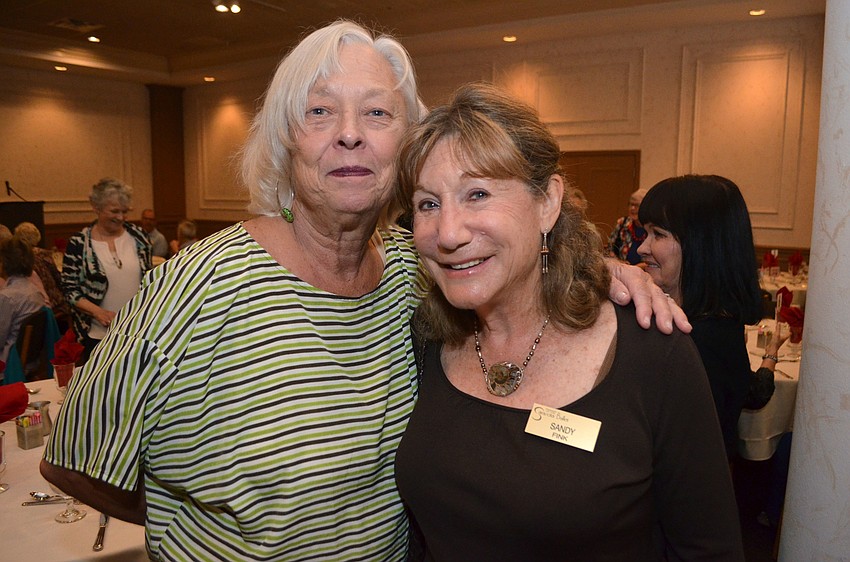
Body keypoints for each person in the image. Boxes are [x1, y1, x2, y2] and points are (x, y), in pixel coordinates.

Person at [42, 21, 686, 561]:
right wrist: (205, 528)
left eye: (376, 113)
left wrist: (610, 272)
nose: (349, 133)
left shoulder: (419, 271)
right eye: (320, 111)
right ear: (286, 140)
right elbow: (74, 460)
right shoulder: (200, 284)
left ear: (405, 149)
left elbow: (518, 260)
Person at [394, 83, 741, 560]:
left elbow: (708, 548)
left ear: (547, 203)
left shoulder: (653, 353)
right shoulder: (425, 339)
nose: (448, 233)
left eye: (477, 194)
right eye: (428, 204)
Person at [637, 174, 789, 460]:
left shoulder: (704, 339)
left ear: (699, 245)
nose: (642, 248)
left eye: (658, 234)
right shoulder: (699, 322)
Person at [60, 177, 152, 362]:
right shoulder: (79, 243)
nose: (121, 217)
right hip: (97, 334)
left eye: (125, 211)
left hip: (138, 331)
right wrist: (98, 312)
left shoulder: (139, 237)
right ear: (96, 207)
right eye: (115, 211)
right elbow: (69, 291)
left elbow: (150, 278)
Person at [0, 236, 48, 381]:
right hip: (30, 359)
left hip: (10, 361)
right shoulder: (34, 291)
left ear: (3, 263)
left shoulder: (7, 297)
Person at [14, 222, 72, 330]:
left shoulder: (20, 258)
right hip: (55, 300)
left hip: (40, 303)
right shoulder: (44, 254)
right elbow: (59, 278)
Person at [607, 188, 648, 265]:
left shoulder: (653, 228)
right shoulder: (622, 223)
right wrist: (619, 263)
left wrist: (640, 267)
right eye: (631, 204)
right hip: (623, 272)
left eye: (637, 205)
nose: (632, 208)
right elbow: (610, 249)